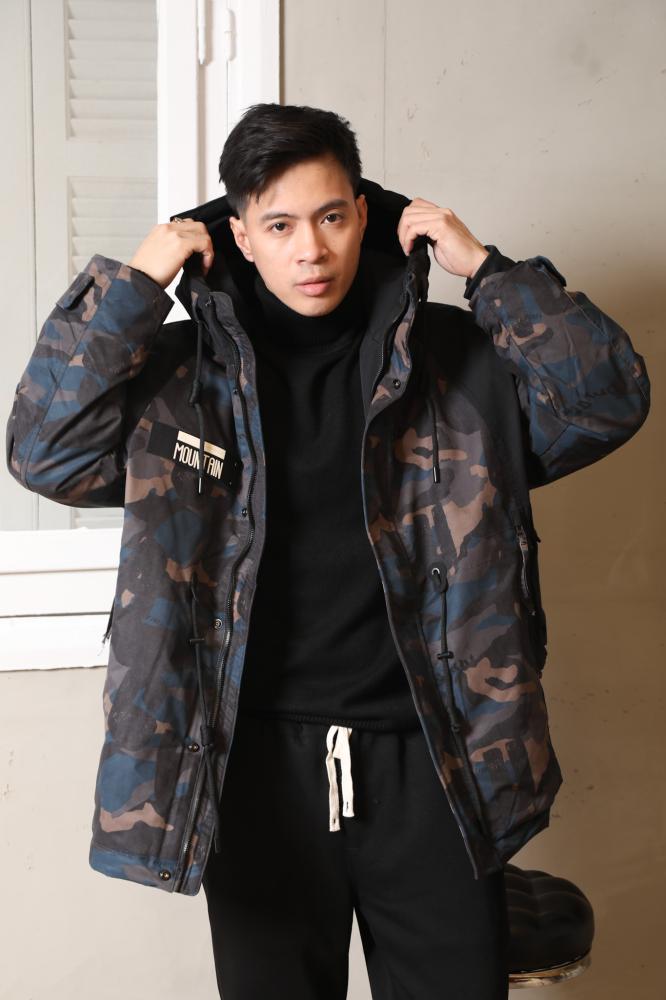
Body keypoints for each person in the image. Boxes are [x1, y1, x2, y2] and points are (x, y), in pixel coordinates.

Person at [6, 103, 650, 999]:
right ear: (240, 236)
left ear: (363, 214)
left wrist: (488, 271)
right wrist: (134, 287)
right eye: (279, 226)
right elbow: (44, 452)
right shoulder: (179, 380)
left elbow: (607, 400)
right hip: (251, 768)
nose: (311, 250)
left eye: (331, 217)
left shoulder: (456, 362)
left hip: (438, 757)